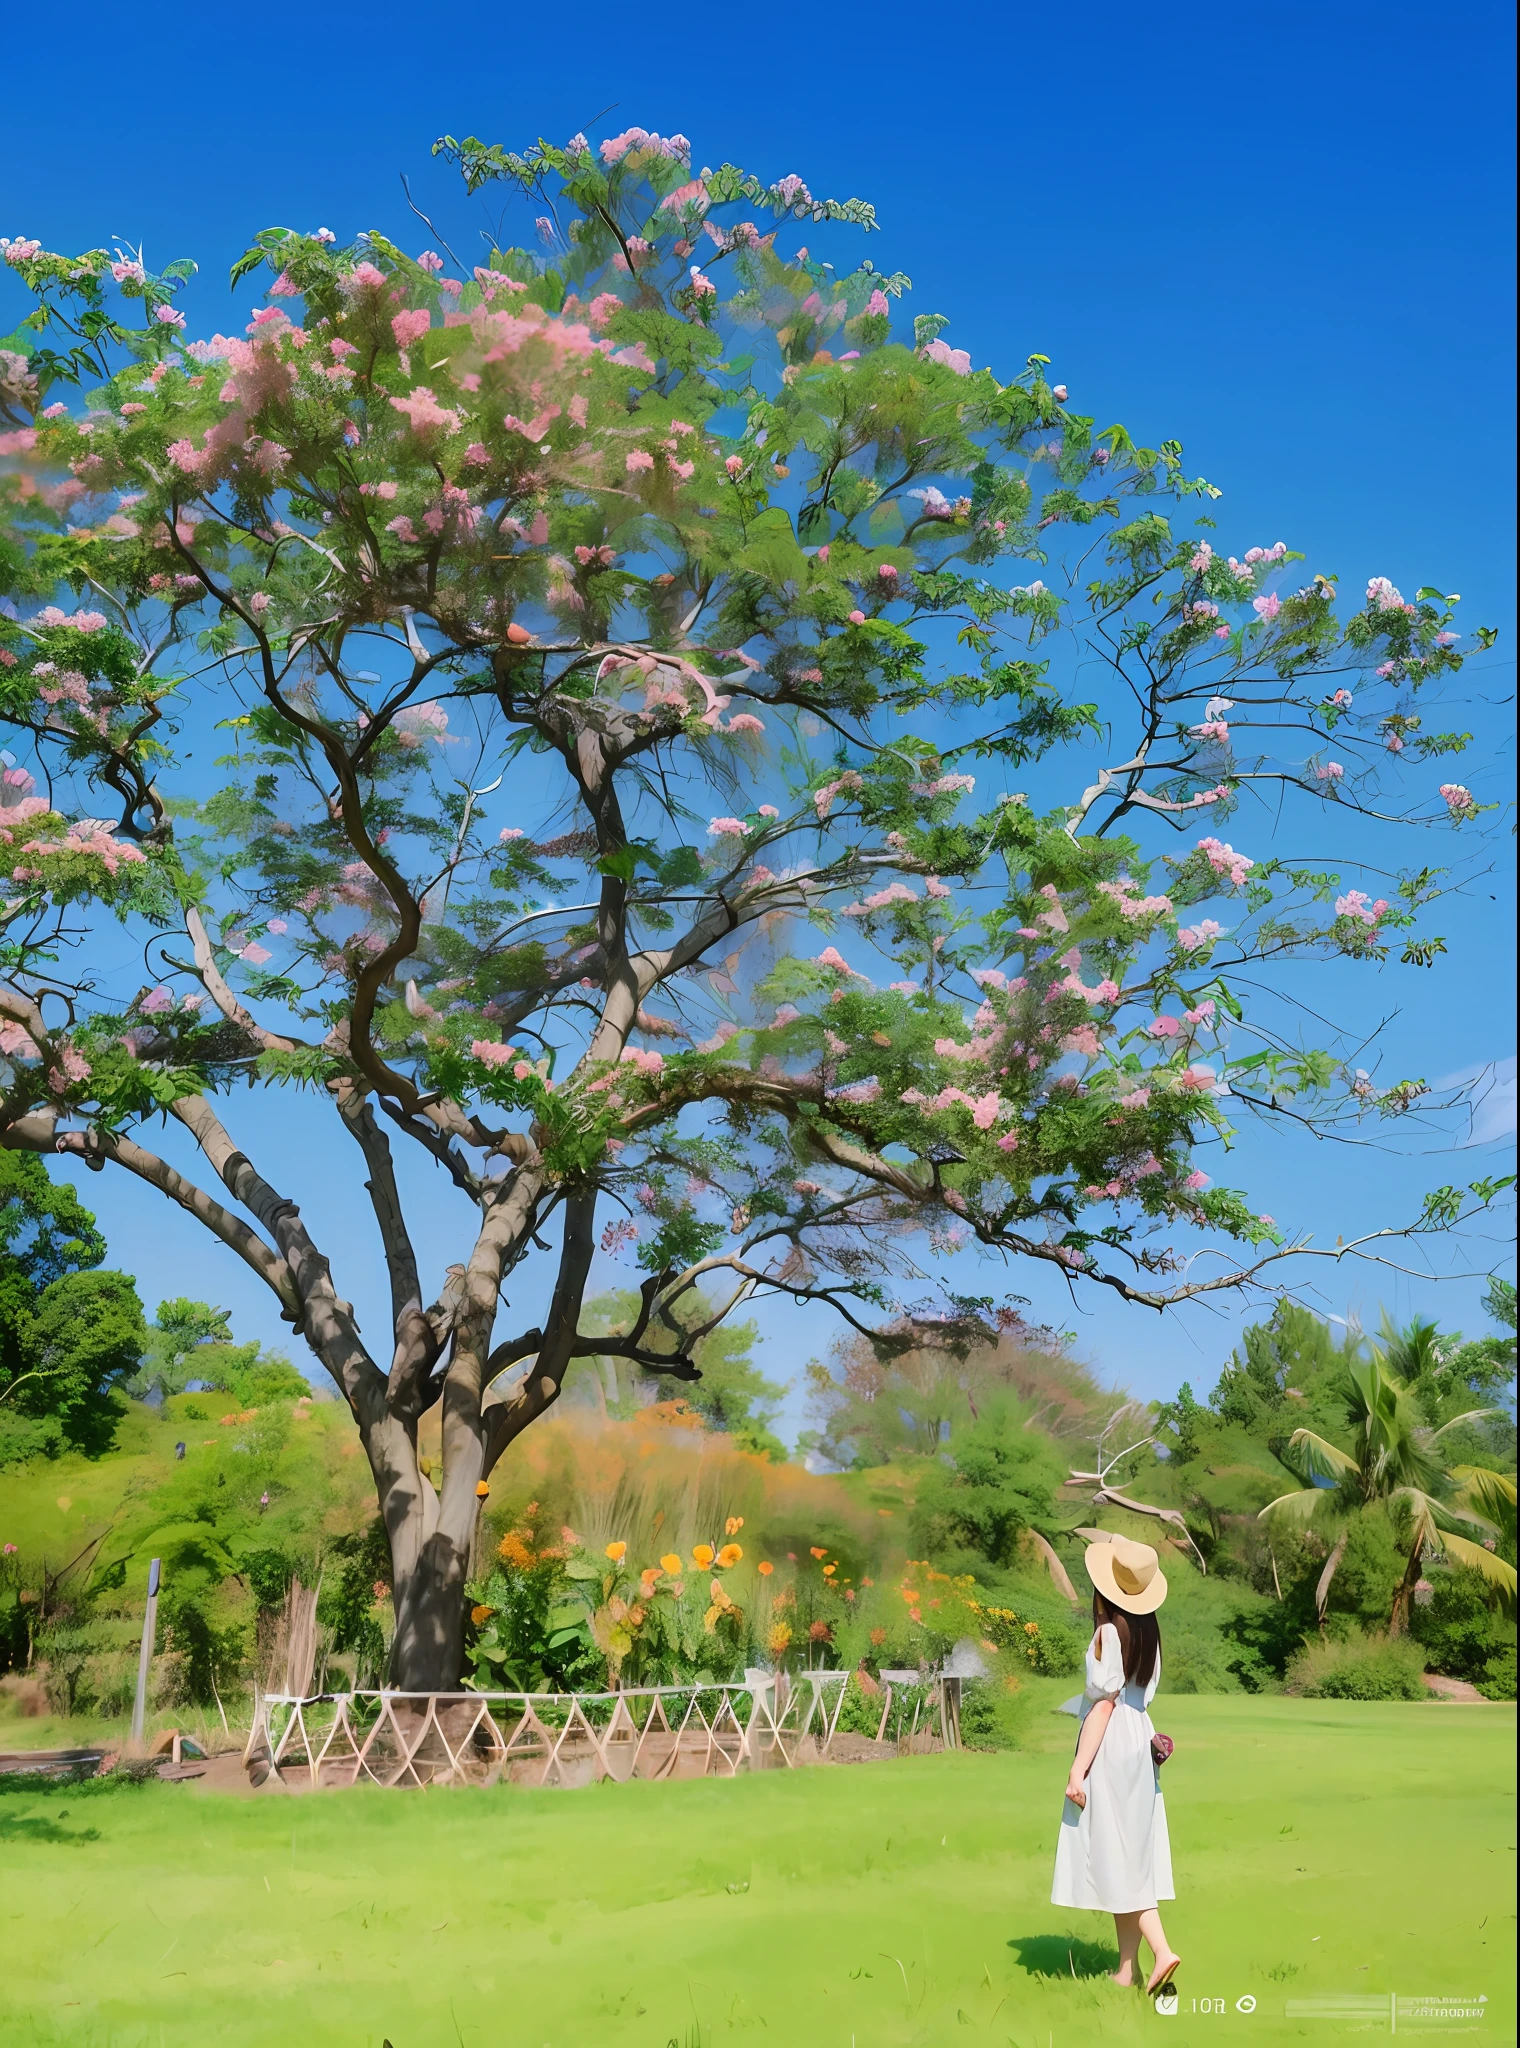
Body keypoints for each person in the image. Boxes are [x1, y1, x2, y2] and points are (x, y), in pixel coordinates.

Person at [1050, 1533, 1181, 1998]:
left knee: (1117, 1857)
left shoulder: (1108, 1631)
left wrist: (1077, 1770)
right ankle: (1127, 1970)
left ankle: (1162, 1952)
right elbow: (1135, 1699)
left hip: (1109, 1744)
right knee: (1129, 1853)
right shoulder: (1149, 1630)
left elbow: (1103, 1706)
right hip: (1138, 1741)